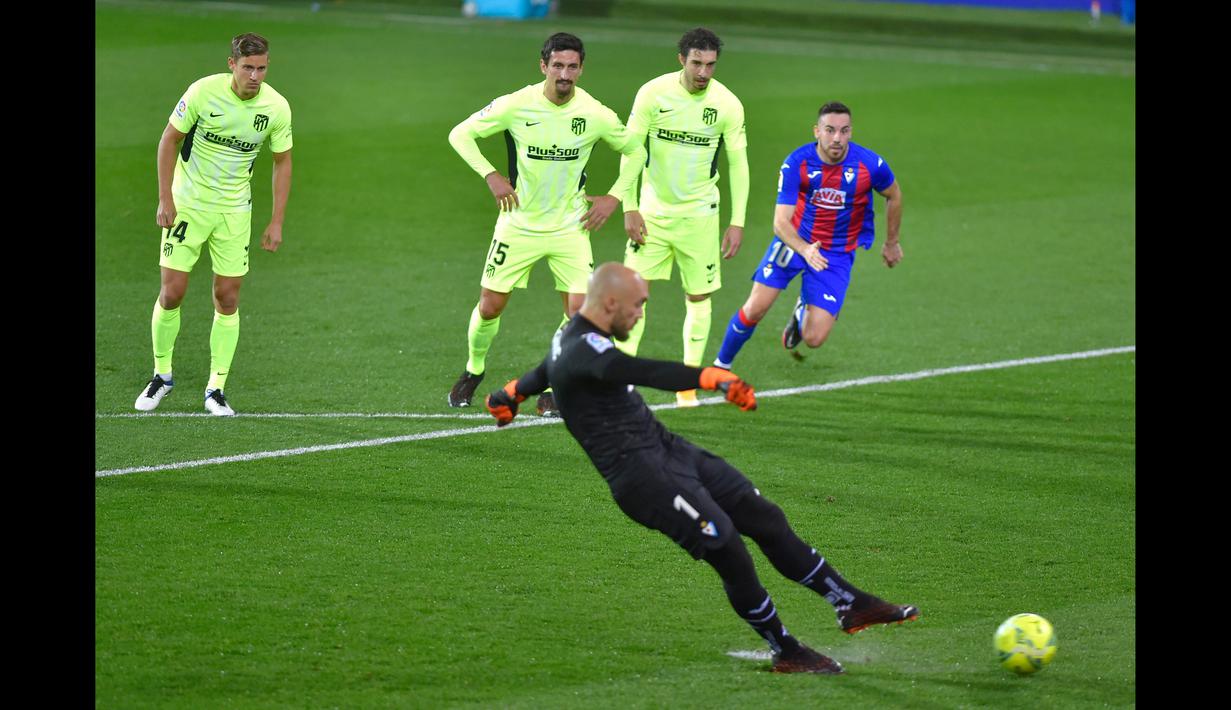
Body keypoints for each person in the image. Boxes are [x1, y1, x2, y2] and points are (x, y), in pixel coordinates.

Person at [484, 263, 918, 673]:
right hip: (644, 480)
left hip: (668, 450)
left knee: (763, 517)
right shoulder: (585, 347)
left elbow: (543, 372)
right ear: (610, 303)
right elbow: (638, 370)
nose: (640, 314)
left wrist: (509, 394)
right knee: (729, 550)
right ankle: (786, 650)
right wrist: (711, 377)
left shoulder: (572, 337)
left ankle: (849, 602)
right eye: (638, 304)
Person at [446, 32, 647, 415]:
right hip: (518, 222)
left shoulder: (595, 114)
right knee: (490, 306)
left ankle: (554, 383)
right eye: (558, 66)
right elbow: (460, 134)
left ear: (581, 69)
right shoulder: (515, 105)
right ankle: (473, 369)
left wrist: (614, 198)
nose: (564, 74)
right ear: (543, 66)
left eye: (572, 67)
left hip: (570, 226)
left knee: (580, 313)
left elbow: (636, 151)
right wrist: (491, 175)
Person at [134, 33, 293, 416]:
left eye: (262, 68)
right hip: (189, 205)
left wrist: (276, 221)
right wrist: (166, 198)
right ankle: (161, 376)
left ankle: (216, 389)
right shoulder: (203, 93)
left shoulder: (276, 108)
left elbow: (283, 161)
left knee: (228, 297)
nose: (255, 76)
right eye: (248, 67)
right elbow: (169, 140)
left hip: (234, 210)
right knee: (172, 292)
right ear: (232, 64)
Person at [713, 102, 902, 369]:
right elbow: (780, 222)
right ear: (817, 131)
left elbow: (894, 195)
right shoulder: (797, 163)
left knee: (814, 338)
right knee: (755, 308)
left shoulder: (870, 164)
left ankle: (803, 307)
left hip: (835, 254)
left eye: (844, 131)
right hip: (794, 241)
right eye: (830, 130)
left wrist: (891, 242)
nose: (837, 138)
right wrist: (804, 249)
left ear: (850, 132)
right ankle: (721, 366)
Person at [617, 27, 748, 408]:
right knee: (633, 295)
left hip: (700, 217)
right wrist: (629, 206)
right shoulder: (653, 93)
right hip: (652, 213)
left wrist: (737, 221)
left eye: (710, 64)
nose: (704, 72)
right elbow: (630, 150)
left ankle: (687, 383)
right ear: (681, 59)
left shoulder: (727, 104)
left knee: (699, 295)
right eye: (697, 63)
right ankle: (622, 379)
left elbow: (738, 165)